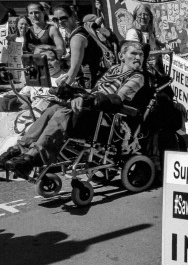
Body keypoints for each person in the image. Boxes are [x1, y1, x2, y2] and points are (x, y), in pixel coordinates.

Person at [2, 40, 146, 177]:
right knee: (53, 108)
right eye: (133, 53)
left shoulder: (137, 76)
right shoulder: (114, 69)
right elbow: (95, 90)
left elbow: (117, 99)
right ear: (121, 56)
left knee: (63, 111)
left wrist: (84, 98)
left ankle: (34, 156)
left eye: (140, 54)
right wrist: (73, 91)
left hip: (108, 115)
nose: (138, 57)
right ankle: (18, 150)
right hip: (92, 108)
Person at [0, 45, 67, 112]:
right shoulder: (37, 76)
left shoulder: (65, 77)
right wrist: (26, 103)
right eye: (44, 61)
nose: (47, 64)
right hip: (31, 109)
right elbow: (22, 94)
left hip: (48, 111)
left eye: (50, 60)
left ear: (59, 61)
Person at [53, 4, 105, 89]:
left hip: (90, 81)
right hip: (97, 77)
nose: (59, 22)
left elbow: (74, 69)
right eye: (55, 19)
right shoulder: (81, 29)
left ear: (73, 17)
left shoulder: (77, 38)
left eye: (63, 18)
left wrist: (61, 90)